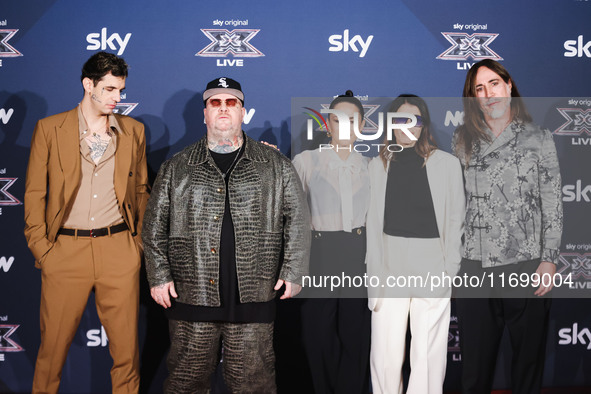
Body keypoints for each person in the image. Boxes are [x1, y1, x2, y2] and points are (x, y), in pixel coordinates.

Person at [142, 77, 310, 393]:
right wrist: (158, 276)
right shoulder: (176, 167)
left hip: (254, 296)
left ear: (243, 111)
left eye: (231, 102)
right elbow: (153, 229)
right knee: (185, 383)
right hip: (190, 297)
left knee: (254, 385)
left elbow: (298, 222)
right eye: (215, 103)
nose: (223, 108)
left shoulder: (275, 164)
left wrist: (293, 271)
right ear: (204, 113)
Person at [24, 51, 149, 393]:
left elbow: (141, 191)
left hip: (118, 250)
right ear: (87, 84)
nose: (117, 98)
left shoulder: (133, 131)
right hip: (65, 251)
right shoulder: (50, 129)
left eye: (120, 90)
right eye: (109, 89)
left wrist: (136, 248)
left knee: (127, 355)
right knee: (51, 354)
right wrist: (43, 251)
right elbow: (34, 193)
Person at [452, 59, 563, 394]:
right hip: (475, 266)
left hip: (526, 264)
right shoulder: (462, 139)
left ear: (509, 85)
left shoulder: (538, 138)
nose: (488, 94)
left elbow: (553, 202)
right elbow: (456, 204)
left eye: (494, 84)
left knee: (527, 364)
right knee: (475, 367)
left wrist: (549, 259)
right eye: (479, 89)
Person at [365, 95, 465, 394]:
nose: (406, 127)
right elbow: (371, 225)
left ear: (423, 126)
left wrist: (449, 269)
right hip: (388, 264)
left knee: (429, 355)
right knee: (384, 355)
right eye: (400, 120)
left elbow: (455, 220)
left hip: (432, 262)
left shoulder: (446, 164)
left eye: (414, 121)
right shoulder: (376, 166)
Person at [293, 90, 372, 394]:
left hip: (358, 255)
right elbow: (292, 215)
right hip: (319, 255)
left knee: (356, 338)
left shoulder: (371, 166)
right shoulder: (307, 161)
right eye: (338, 119)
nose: (345, 125)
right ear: (328, 123)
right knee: (318, 337)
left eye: (353, 119)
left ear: (362, 124)